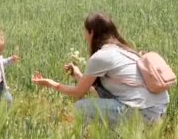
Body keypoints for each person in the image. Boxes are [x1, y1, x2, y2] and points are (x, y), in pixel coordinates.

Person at [32, 12, 169, 126]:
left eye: (85, 30)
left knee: (80, 108)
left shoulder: (101, 56)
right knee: (101, 99)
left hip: (143, 111)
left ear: (91, 32)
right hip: (159, 107)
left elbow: (78, 92)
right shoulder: (124, 50)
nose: (84, 34)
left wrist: (51, 83)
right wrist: (79, 75)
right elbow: (100, 91)